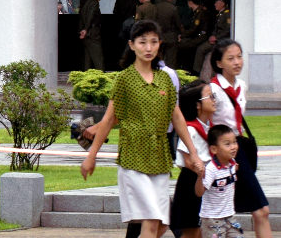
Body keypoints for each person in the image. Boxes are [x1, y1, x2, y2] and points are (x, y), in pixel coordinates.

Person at [80, 20, 204, 238]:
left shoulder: (165, 79)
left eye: (153, 42)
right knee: (151, 218)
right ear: (132, 45)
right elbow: (109, 120)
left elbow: (177, 117)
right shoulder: (124, 79)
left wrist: (193, 153)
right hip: (133, 159)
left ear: (160, 44)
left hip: (160, 158)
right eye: (142, 42)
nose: (148, 48)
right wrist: (92, 156)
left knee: (158, 223)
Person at [210, 40, 271, 238]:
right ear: (219, 63)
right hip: (220, 156)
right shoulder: (212, 90)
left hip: (239, 150)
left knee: (261, 210)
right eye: (230, 58)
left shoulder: (241, 86)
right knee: (217, 215)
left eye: (239, 56)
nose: (237, 62)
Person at [170, 80, 217, 238]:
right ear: (197, 105)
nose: (214, 100)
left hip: (204, 182)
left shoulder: (209, 127)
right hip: (191, 183)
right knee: (191, 231)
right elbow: (189, 161)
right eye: (210, 97)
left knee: (200, 231)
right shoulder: (190, 129)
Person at [198, 124, 243, 238]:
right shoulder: (211, 170)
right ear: (214, 149)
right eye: (227, 144)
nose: (233, 147)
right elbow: (199, 192)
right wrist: (200, 177)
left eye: (234, 142)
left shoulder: (232, 163)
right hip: (212, 220)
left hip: (230, 216)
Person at [195, 0, 230, 79]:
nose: (215, 4)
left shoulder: (227, 14)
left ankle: (197, 72)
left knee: (201, 49)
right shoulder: (220, 14)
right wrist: (212, 36)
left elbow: (228, 30)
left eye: (217, 2)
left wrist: (216, 38)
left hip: (221, 41)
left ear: (222, 3)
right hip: (216, 39)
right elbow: (216, 29)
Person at [154, 0, 183, 67]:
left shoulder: (155, 7)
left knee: (158, 60)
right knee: (171, 61)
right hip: (171, 37)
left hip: (159, 37)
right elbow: (178, 24)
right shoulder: (173, 8)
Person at [80, 0, 105, 69]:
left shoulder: (87, 3)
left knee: (88, 60)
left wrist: (82, 29)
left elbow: (82, 17)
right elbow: (90, 16)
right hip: (93, 34)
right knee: (98, 59)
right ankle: (101, 79)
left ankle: (87, 80)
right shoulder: (94, 4)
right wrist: (85, 29)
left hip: (88, 35)